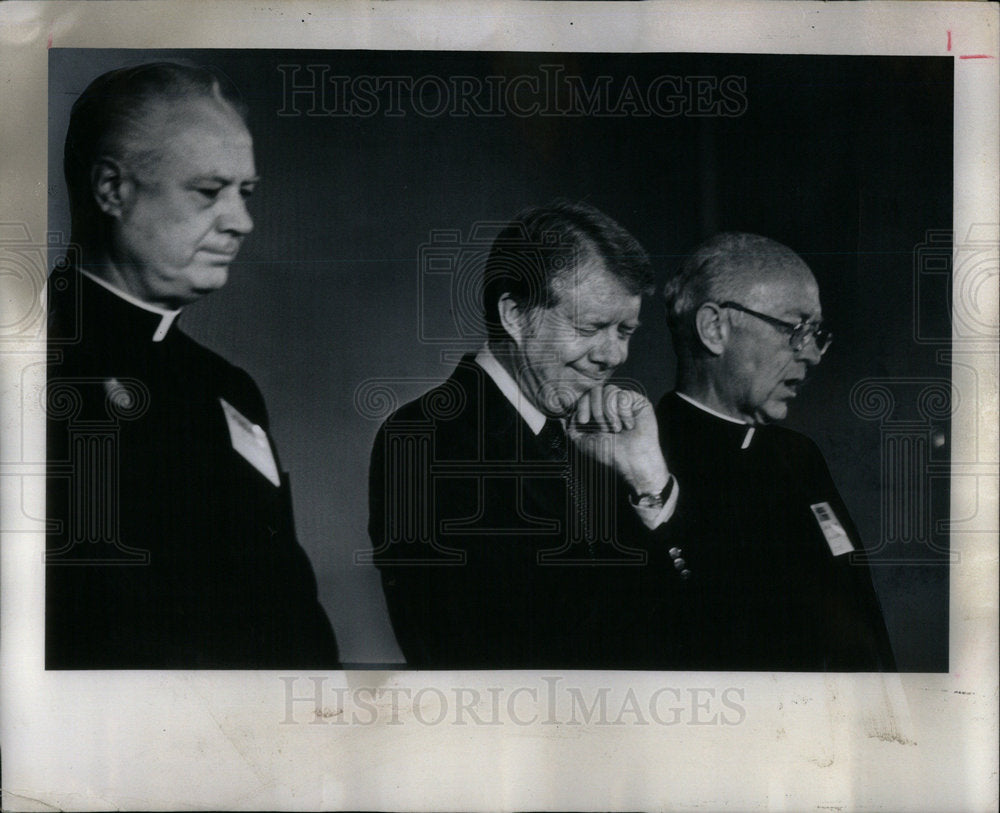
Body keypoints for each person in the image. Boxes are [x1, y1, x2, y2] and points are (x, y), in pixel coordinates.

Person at [46, 62, 339, 668]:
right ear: (112, 190)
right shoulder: (31, 365)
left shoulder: (227, 388)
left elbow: (287, 600)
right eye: (209, 192)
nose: (241, 221)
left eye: (246, 192)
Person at [369, 200, 687, 669]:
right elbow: (490, 647)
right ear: (516, 316)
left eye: (626, 331)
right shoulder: (424, 439)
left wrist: (649, 482)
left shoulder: (604, 440)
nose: (614, 355)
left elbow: (695, 629)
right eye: (591, 327)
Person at [658, 231, 895, 670]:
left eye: (816, 333)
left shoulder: (799, 456)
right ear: (715, 328)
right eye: (795, 329)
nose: (813, 355)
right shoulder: (643, 460)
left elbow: (863, 629)